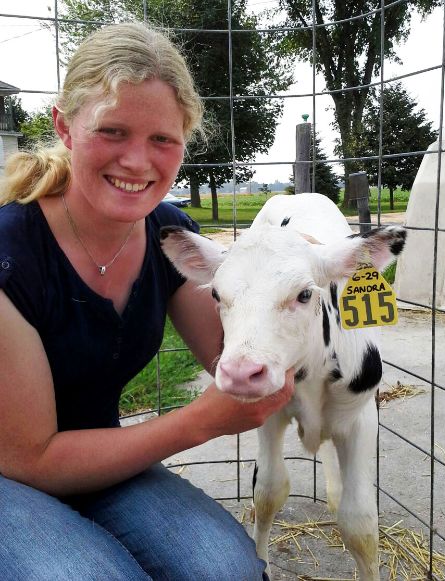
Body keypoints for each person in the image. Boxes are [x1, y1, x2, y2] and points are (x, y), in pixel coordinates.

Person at [0, 21, 294, 580]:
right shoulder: (10, 255)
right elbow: (28, 459)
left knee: (224, 569)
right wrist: (197, 422)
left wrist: (288, 279)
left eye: (162, 139)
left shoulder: (167, 235)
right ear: (64, 125)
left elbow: (231, 354)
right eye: (112, 131)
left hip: (99, 458)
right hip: (11, 471)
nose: (138, 162)